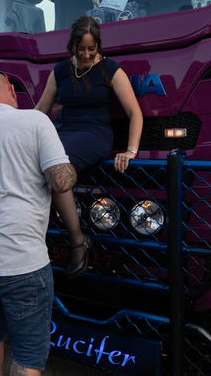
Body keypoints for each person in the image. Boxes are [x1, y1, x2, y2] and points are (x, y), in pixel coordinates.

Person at [0, 72, 77, 376]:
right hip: (22, 262)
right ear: (12, 92)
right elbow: (61, 183)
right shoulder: (34, 122)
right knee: (29, 353)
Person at [35, 15, 143, 279]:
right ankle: (34, 242)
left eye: (91, 49)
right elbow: (39, 111)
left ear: (99, 46)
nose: (85, 54)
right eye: (80, 49)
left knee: (57, 173)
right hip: (62, 131)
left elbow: (135, 113)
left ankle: (77, 241)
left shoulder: (111, 69)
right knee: (29, 168)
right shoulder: (60, 70)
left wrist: (131, 150)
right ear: (72, 45)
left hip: (94, 133)